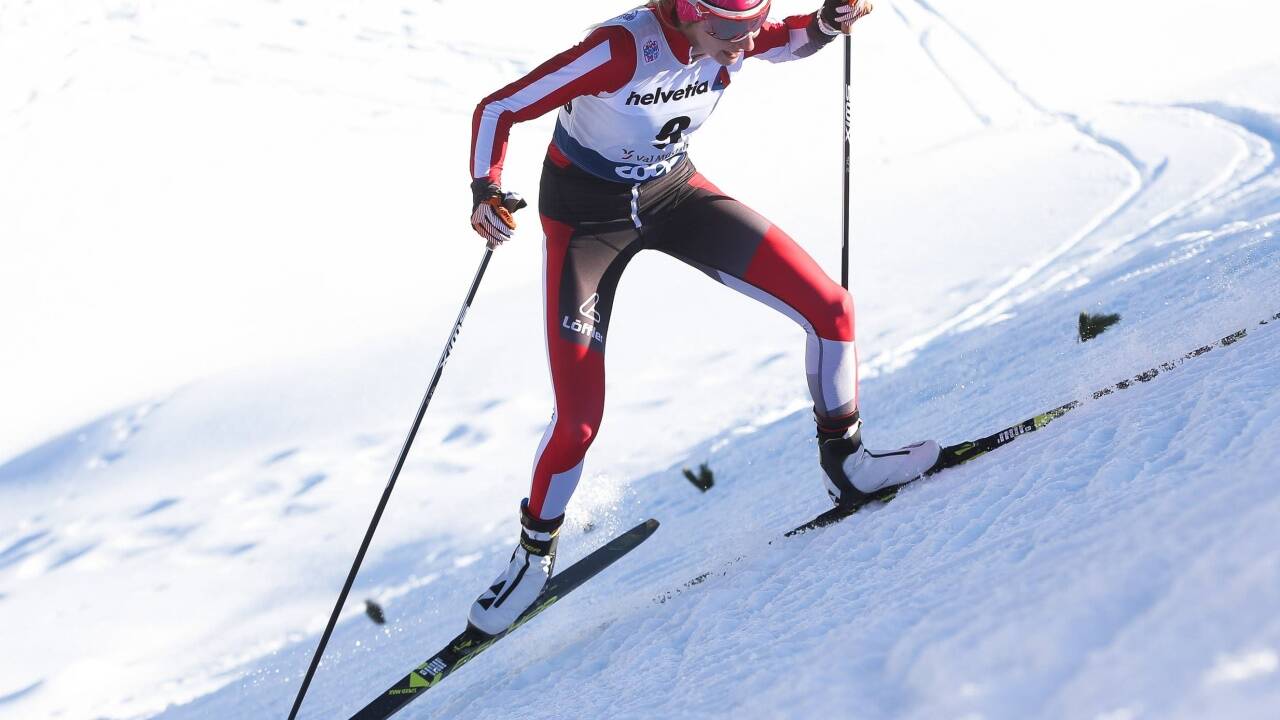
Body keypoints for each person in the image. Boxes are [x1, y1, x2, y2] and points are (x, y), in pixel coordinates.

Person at [465, 0, 939, 636]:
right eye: (727, 31)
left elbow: (787, 39)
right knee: (578, 420)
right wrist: (486, 190)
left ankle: (848, 466)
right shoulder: (619, 50)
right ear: (685, 14)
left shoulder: (729, 38)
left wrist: (829, 21)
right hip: (585, 222)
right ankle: (533, 555)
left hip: (675, 195)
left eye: (749, 26)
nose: (742, 45)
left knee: (831, 308)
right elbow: (499, 109)